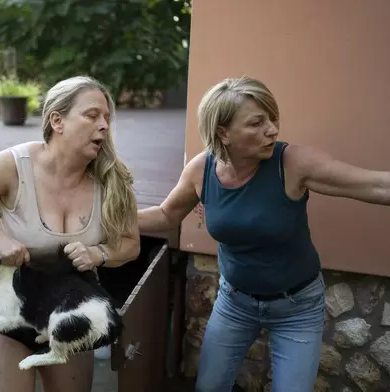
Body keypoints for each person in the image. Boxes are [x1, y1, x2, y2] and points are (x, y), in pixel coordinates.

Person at [138, 76, 390, 391]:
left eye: (272, 118)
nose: (272, 129)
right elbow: (167, 214)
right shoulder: (202, 170)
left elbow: (376, 185)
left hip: (297, 307)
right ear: (223, 133)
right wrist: (106, 222)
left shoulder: (292, 163)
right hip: (234, 303)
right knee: (209, 386)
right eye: (257, 123)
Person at [0, 75, 141, 392]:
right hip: (5, 313)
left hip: (69, 311)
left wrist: (100, 254)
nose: (104, 125)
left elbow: (131, 244)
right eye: (92, 115)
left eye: (107, 117)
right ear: (57, 120)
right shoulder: (15, 165)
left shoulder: (112, 179)